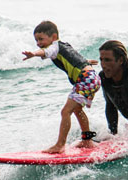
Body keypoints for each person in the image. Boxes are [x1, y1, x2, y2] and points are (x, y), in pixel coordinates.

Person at [22, 21, 101, 153]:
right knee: (77, 110)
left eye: (41, 39)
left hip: (85, 78)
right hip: (92, 77)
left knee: (65, 112)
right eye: (36, 40)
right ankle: (87, 140)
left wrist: (34, 54)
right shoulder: (64, 45)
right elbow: (74, 57)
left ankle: (60, 145)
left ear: (53, 37)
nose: (38, 43)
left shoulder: (54, 46)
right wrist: (86, 61)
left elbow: (46, 51)